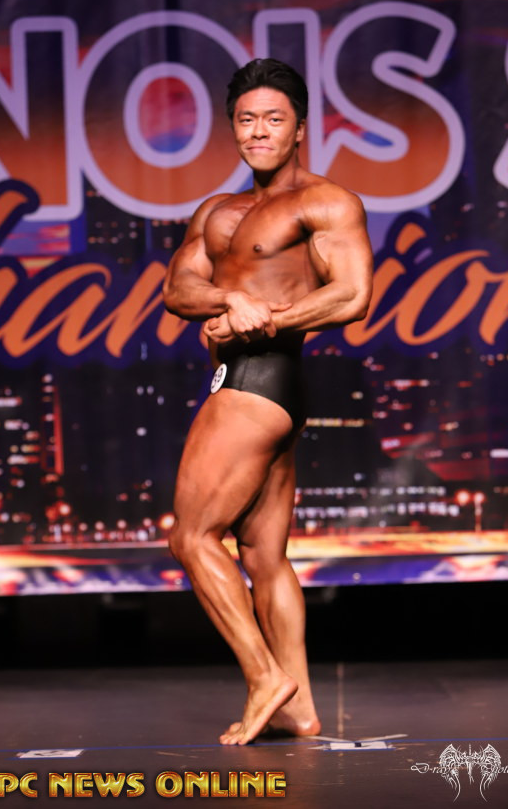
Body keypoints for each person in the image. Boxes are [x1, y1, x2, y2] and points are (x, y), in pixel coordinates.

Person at [163, 58, 373, 745]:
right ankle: (301, 707)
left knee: (192, 537)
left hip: (259, 383)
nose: (258, 131)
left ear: (299, 129)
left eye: (273, 119)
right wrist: (231, 297)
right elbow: (177, 291)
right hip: (259, 388)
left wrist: (264, 320)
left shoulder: (326, 202)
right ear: (233, 128)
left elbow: (352, 294)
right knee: (262, 555)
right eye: (246, 119)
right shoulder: (215, 212)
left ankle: (263, 676)